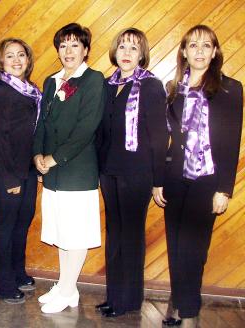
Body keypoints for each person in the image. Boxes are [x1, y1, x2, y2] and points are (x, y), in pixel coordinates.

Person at [155, 25, 243, 328]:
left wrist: (224, 189)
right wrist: (158, 180)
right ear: (183, 51)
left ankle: (188, 312)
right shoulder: (173, 89)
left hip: (207, 180)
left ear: (215, 51)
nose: (200, 51)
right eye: (193, 45)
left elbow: (231, 143)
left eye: (207, 46)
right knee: (176, 245)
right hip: (174, 177)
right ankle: (178, 301)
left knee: (194, 248)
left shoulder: (231, 89)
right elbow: (165, 139)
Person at [95, 28, 168, 317]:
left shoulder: (151, 86)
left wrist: (159, 181)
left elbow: (160, 137)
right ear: (115, 51)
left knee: (131, 237)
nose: (126, 53)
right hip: (109, 172)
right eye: (122, 47)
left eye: (133, 48)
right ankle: (114, 297)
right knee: (114, 234)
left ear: (142, 54)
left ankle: (129, 300)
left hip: (137, 175)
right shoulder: (107, 85)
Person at [33, 23, 105, 314]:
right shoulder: (51, 81)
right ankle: (67, 287)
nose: (68, 51)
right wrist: (37, 155)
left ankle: (65, 289)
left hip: (77, 170)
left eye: (75, 45)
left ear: (86, 50)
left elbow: (86, 128)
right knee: (62, 231)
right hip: (52, 172)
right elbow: (42, 123)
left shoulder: (94, 79)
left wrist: (54, 158)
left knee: (75, 233)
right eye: (63, 45)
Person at [0, 38, 41, 304]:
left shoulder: (31, 90)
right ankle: (1, 283)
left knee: (22, 221)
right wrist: (10, 178)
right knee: (6, 224)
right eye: (10, 56)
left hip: (26, 168)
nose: (17, 60)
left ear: (28, 60)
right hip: (4, 170)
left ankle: (17, 272)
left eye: (21, 55)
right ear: (1, 62)